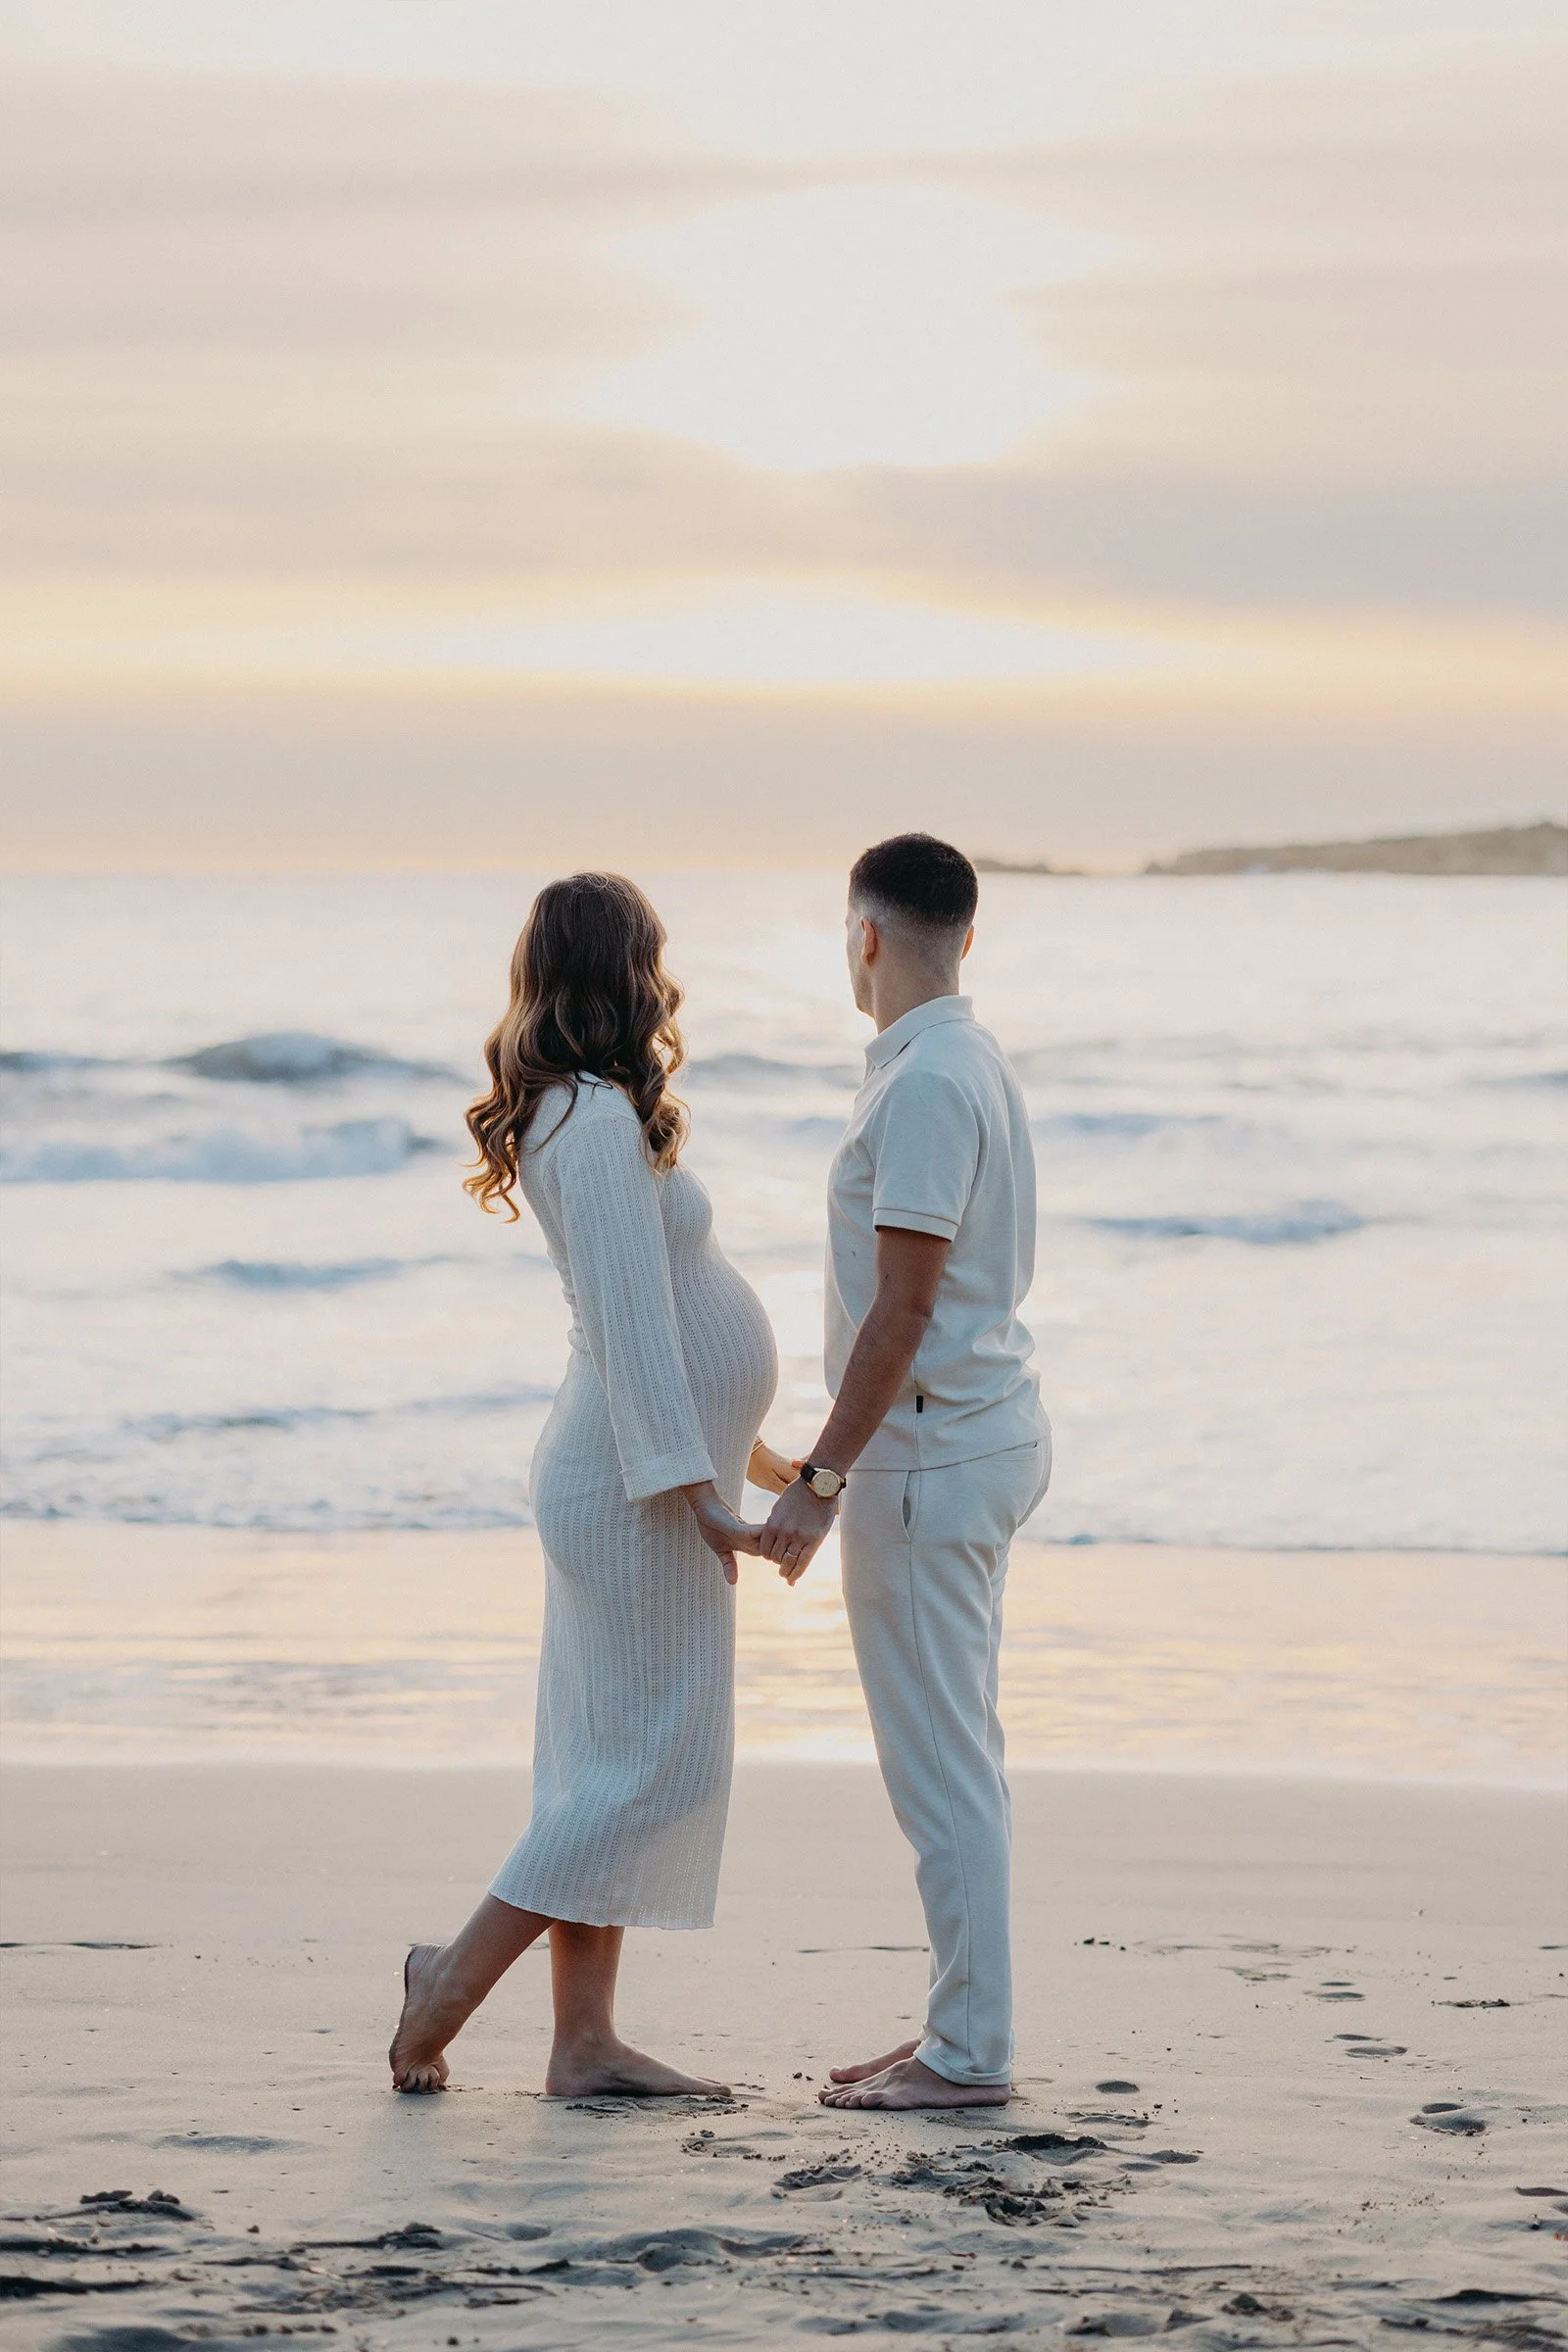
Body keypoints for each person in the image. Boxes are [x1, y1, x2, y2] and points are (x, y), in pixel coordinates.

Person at [388, 872, 794, 2098]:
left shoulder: (581, 1110)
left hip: (632, 1475)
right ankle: (440, 1991)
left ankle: (584, 2045)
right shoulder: (600, 1125)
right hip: (629, 1495)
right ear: (629, 969)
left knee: (600, 1764)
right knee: (638, 1770)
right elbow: (628, 1329)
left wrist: (752, 1450)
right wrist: (703, 1497)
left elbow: (661, 1322)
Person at [761, 833, 1051, 2110]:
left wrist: (818, 1484)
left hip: (931, 1453)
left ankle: (969, 2054)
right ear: (966, 938)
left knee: (940, 1767)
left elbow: (903, 1310)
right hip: (971, 1433)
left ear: (865, 938)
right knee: (955, 1754)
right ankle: (957, 2027)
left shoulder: (928, 1082)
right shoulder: (963, 1059)